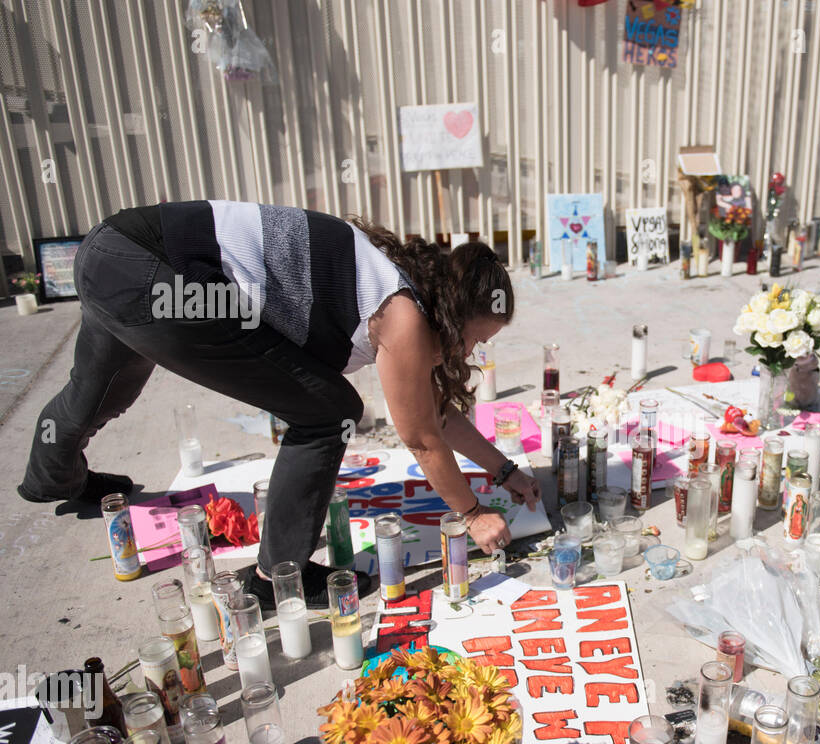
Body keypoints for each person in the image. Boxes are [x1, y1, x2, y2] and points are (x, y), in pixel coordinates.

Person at [18, 200, 540, 608]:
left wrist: (504, 469)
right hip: (156, 275)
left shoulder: (394, 278)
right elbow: (421, 436)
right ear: (452, 312)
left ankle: (52, 475)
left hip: (110, 252)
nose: (472, 351)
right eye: (476, 338)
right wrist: (471, 515)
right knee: (327, 410)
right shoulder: (402, 314)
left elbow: (435, 415)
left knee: (104, 386)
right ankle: (277, 578)